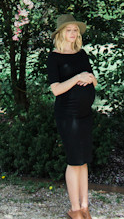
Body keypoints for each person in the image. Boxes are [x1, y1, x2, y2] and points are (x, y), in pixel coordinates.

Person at [47, 13, 97, 219]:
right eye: (69, 30)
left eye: (75, 30)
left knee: (83, 160)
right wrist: (77, 78)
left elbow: (94, 81)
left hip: (85, 114)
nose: (73, 33)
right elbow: (56, 90)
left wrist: (90, 78)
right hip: (68, 116)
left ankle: (85, 206)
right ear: (60, 33)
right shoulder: (54, 57)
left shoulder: (82, 54)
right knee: (74, 160)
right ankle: (75, 209)